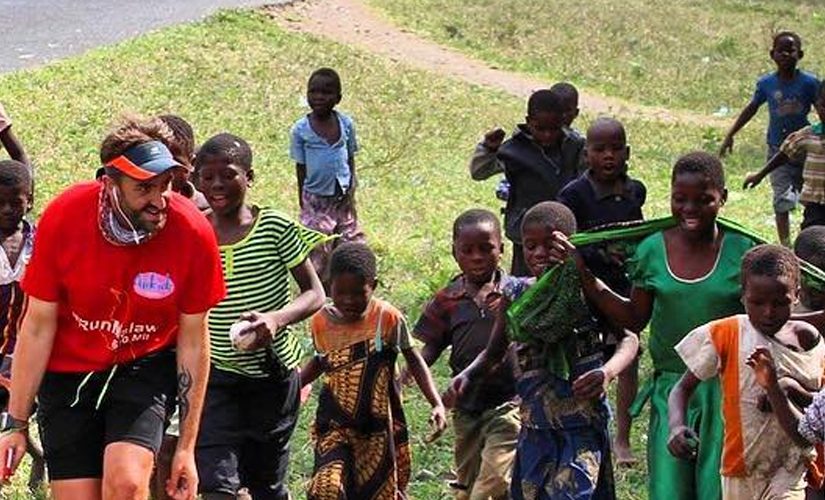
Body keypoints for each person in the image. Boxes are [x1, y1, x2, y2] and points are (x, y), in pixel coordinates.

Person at [0, 116, 226, 500]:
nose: (160, 200)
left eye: (166, 185)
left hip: (143, 365)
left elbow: (193, 341)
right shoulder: (66, 216)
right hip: (68, 371)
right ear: (110, 183)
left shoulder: (191, 231)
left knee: (126, 484)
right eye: (145, 188)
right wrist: (16, 423)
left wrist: (186, 448)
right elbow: (36, 326)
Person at [553, 152, 758, 500]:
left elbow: (763, 322)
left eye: (703, 199)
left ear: (722, 197)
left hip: (728, 390)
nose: (689, 208)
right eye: (680, 199)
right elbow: (634, 318)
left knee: (719, 489)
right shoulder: (652, 249)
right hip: (671, 389)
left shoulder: (744, 251)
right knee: (668, 490)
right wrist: (586, 277)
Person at [448, 201, 639, 499]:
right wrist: (467, 375)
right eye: (530, 246)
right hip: (534, 427)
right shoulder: (517, 294)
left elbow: (629, 339)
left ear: (570, 245)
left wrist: (607, 372)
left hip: (582, 426)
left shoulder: (585, 289)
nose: (538, 254)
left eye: (550, 245)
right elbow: (494, 351)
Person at [194, 133, 325, 500]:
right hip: (215, 375)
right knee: (217, 484)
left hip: (272, 376)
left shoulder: (274, 227)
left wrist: (276, 319)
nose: (218, 184)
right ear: (196, 180)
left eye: (229, 175)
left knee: (265, 484)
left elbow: (315, 293)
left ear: (249, 178)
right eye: (208, 176)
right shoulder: (194, 230)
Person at [668, 244, 824, 499]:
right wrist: (676, 426)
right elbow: (682, 388)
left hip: (791, 468)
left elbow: (818, 402)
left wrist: (785, 389)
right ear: (743, 296)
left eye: (780, 303)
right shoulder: (727, 333)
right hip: (742, 467)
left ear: (796, 295)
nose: (768, 313)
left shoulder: (810, 342)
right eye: (757, 302)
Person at [300, 242, 447, 499]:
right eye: (340, 292)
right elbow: (321, 362)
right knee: (326, 488)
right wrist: (293, 386)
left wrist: (436, 403)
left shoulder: (386, 318)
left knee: (374, 490)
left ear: (374, 286)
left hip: (377, 426)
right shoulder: (321, 322)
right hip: (335, 423)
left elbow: (413, 358)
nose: (348, 300)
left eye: (358, 293)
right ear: (327, 285)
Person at [557, 116, 646, 464]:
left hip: (623, 285)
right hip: (585, 287)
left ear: (627, 152)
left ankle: (622, 438)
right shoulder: (574, 194)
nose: (608, 156)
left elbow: (637, 230)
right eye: (599, 149)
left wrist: (631, 252)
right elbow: (568, 239)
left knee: (629, 355)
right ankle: (585, 430)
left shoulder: (634, 190)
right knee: (586, 357)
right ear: (586, 154)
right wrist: (598, 253)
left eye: (615, 148)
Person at [413, 209, 519, 499]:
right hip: (467, 405)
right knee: (468, 482)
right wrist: (406, 374)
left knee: (495, 478)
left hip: (509, 403)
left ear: (501, 249)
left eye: (486, 249)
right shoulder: (448, 298)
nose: (477, 257)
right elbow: (432, 345)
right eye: (467, 250)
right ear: (454, 252)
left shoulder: (516, 293)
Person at [469, 90, 585, 276]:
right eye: (540, 129)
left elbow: (587, 179)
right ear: (528, 121)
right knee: (524, 284)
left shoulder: (575, 146)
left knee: (563, 279)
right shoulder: (514, 149)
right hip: (526, 232)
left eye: (553, 129)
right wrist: (489, 148)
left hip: (564, 230)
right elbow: (479, 172)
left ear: (563, 121)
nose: (547, 135)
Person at [720, 31, 819, 245]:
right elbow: (752, 108)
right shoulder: (767, 84)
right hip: (778, 149)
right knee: (782, 199)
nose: (785, 54)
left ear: (800, 54)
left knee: (812, 198)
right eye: (780, 50)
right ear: (771, 54)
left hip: (808, 150)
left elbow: (821, 106)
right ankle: (785, 244)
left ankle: (813, 241)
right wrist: (731, 134)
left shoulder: (810, 83)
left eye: (790, 50)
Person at [290, 67, 364, 283]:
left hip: (342, 196)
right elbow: (300, 168)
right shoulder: (301, 130)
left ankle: (345, 283)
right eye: (314, 92)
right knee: (318, 243)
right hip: (316, 198)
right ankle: (317, 288)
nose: (319, 97)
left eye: (326, 93)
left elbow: (350, 158)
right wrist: (303, 201)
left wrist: (351, 188)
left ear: (338, 98)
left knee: (351, 240)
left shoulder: (346, 124)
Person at [0, 160, 44, 492]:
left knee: (18, 412)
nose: (7, 209)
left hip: (25, 346)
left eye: (16, 201)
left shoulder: (39, 241)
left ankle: (40, 457)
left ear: (29, 200)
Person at [744, 82, 825, 230]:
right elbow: (784, 154)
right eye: (824, 106)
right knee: (811, 240)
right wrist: (760, 175)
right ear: (817, 106)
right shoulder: (808, 134)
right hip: (815, 204)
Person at [158, 114, 208, 210]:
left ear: (192, 164)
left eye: (174, 164)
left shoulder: (208, 212)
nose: (165, 173)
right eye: (158, 163)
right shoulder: (129, 207)